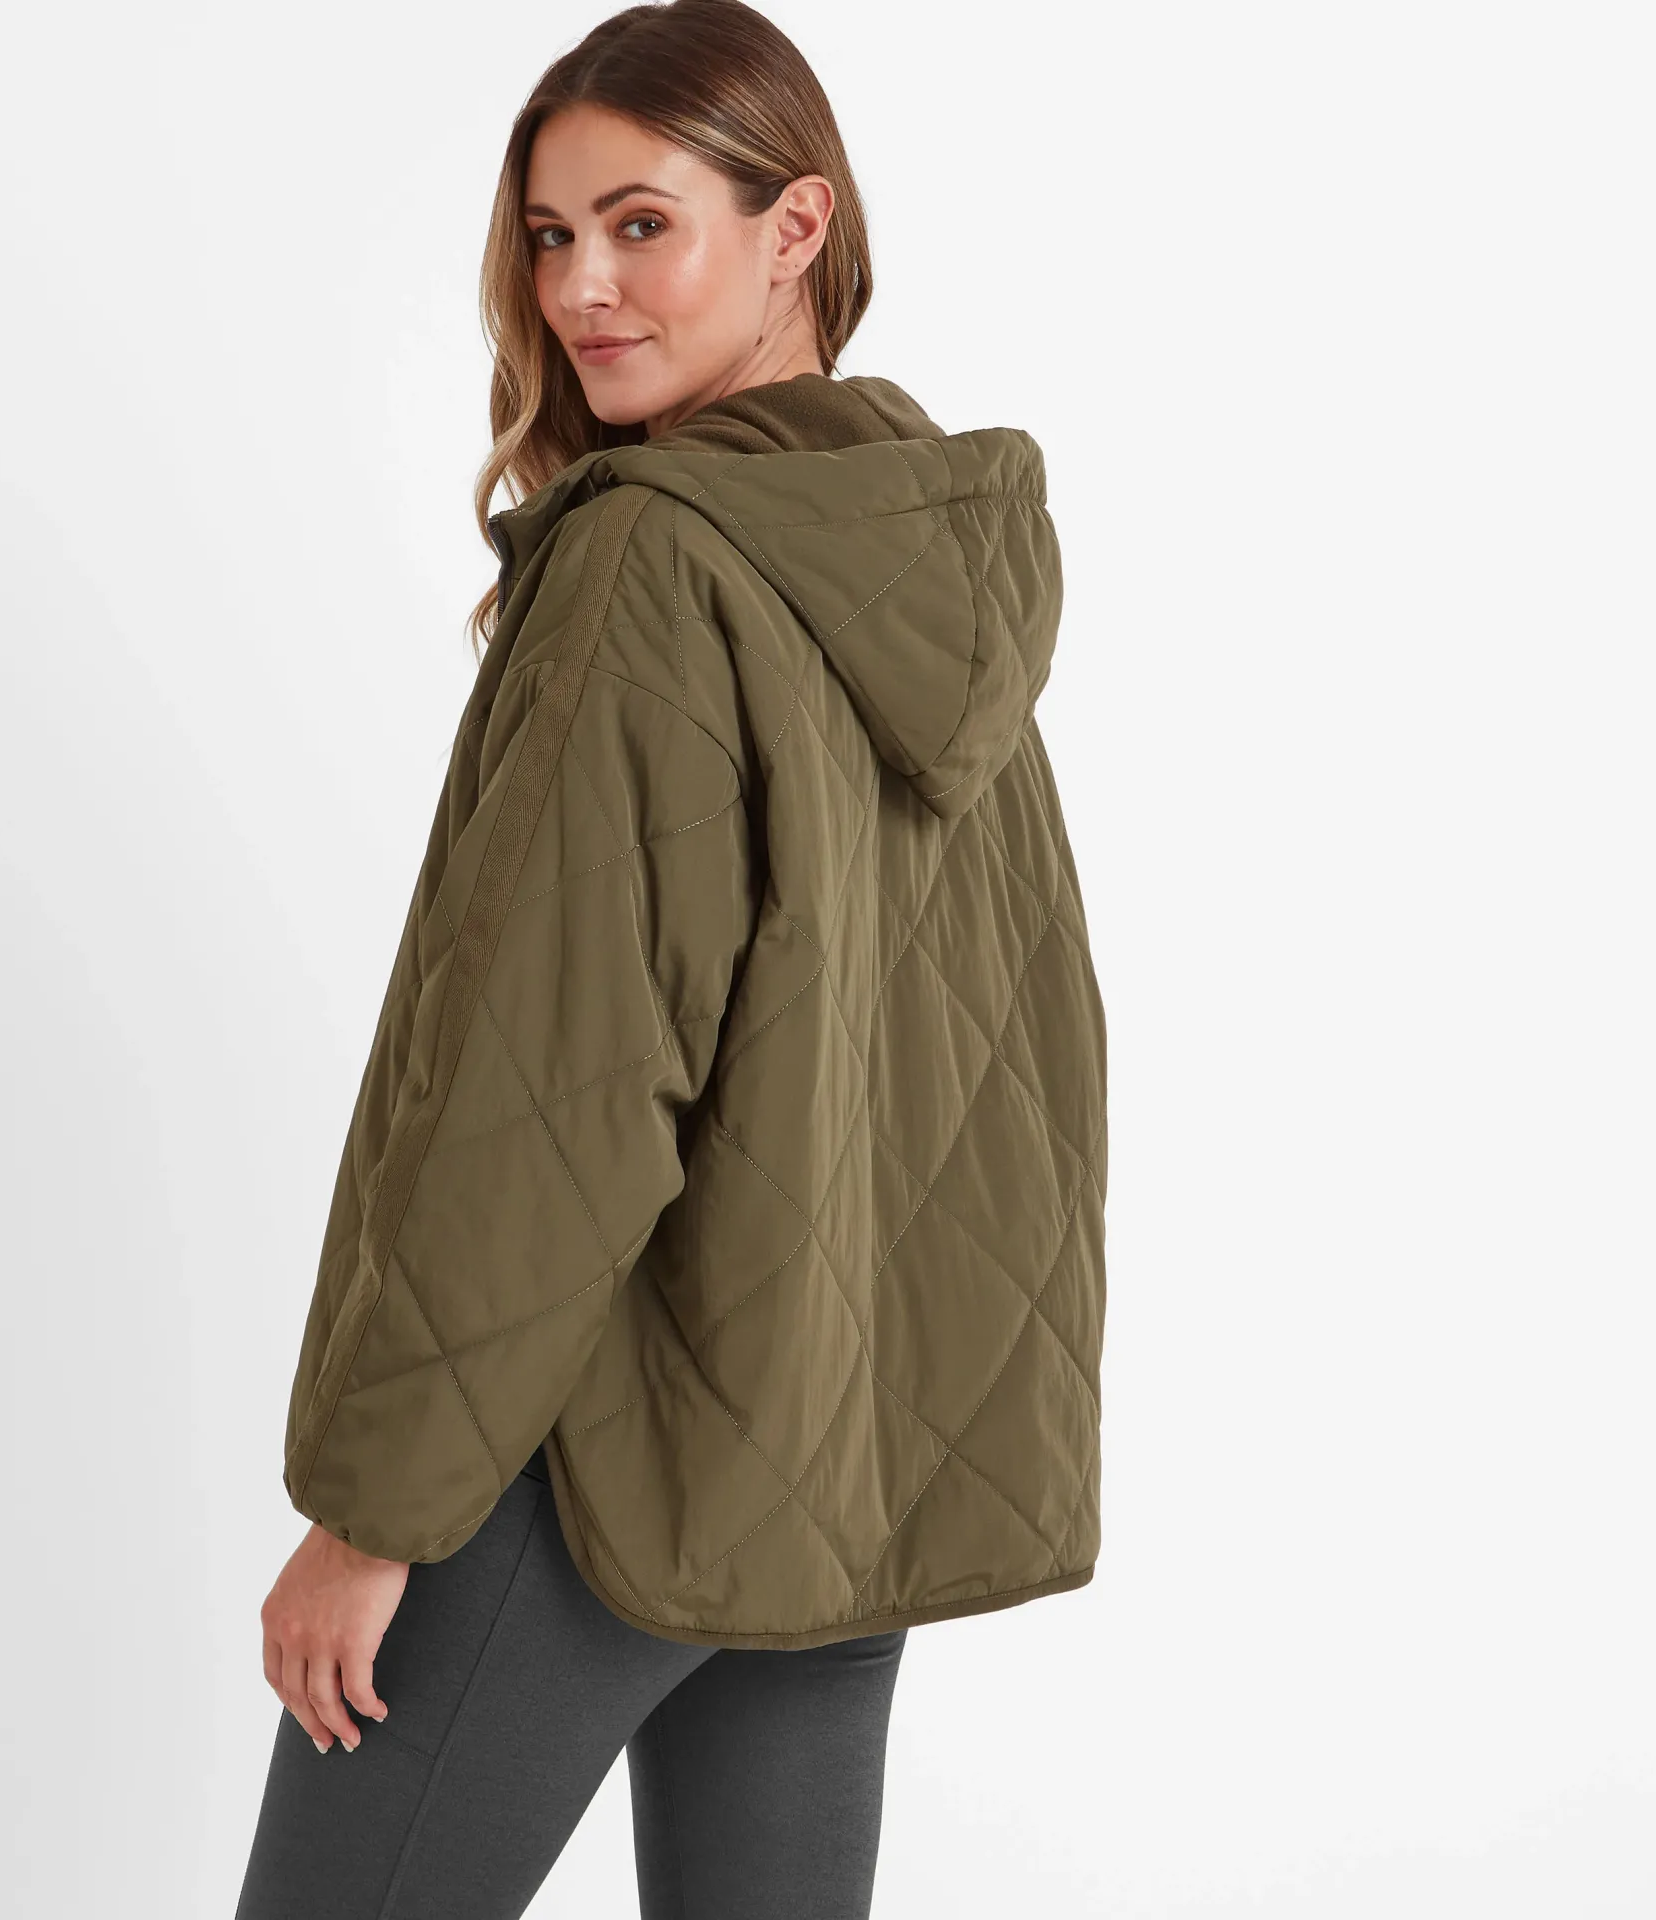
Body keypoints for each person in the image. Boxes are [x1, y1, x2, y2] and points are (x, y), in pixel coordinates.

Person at [235, 3, 1107, 1914]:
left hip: (596, 1459)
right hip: (832, 1461)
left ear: (798, 229)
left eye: (642, 226)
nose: (578, 290)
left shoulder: (656, 565)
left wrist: (374, 1512)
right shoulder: (923, 553)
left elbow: (550, 1091)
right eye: (552, 237)